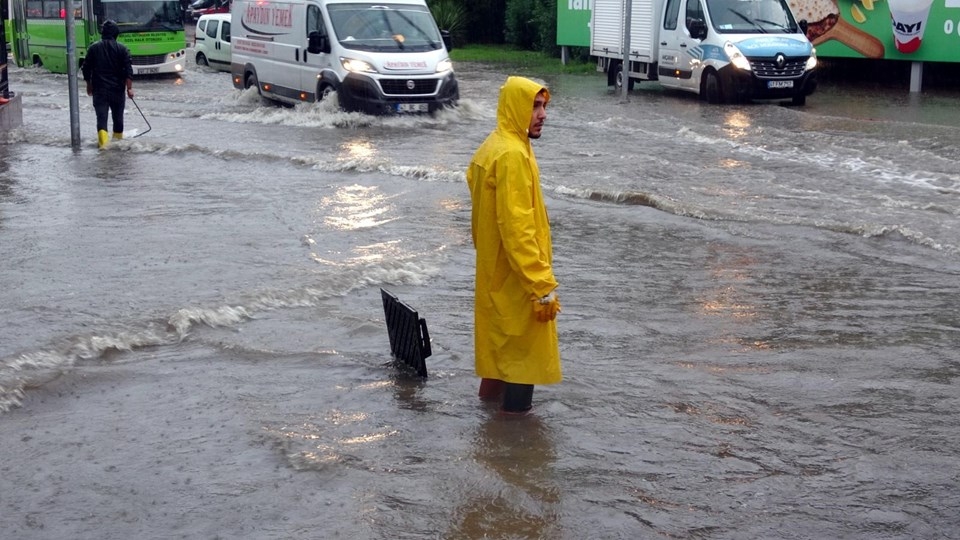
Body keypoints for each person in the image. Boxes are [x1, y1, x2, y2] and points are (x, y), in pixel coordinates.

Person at [466, 76, 562, 414]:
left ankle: (486, 425)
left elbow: (483, 222)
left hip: (495, 276)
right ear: (515, 108)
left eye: (544, 107)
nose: (542, 114)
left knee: (498, 360)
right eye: (534, 106)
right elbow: (517, 228)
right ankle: (512, 445)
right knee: (522, 364)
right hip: (518, 283)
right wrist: (541, 286)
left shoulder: (492, 147)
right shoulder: (511, 156)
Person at [81, 20, 134, 149]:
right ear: (116, 34)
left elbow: (86, 68)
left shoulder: (93, 48)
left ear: (102, 33)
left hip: (99, 90)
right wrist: (129, 89)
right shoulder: (122, 49)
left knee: (101, 117)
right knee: (118, 119)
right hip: (117, 90)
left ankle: (103, 148)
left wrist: (89, 84)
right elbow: (128, 71)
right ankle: (117, 146)